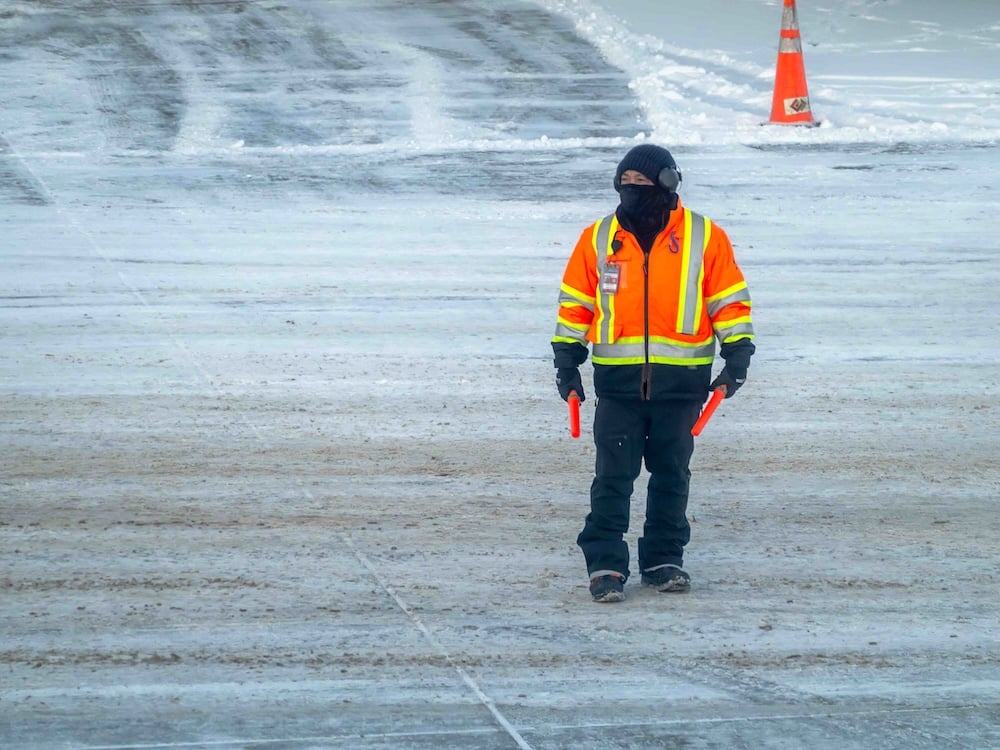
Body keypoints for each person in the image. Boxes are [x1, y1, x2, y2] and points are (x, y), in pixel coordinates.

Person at [552, 144, 755, 603]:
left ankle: (664, 560)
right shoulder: (598, 238)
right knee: (612, 477)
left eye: (643, 184)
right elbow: (576, 304)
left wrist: (738, 353)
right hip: (618, 385)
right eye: (626, 183)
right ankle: (605, 563)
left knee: (671, 475)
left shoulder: (704, 236)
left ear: (668, 183)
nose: (633, 192)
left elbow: (728, 300)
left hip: (682, 384)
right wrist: (567, 360)